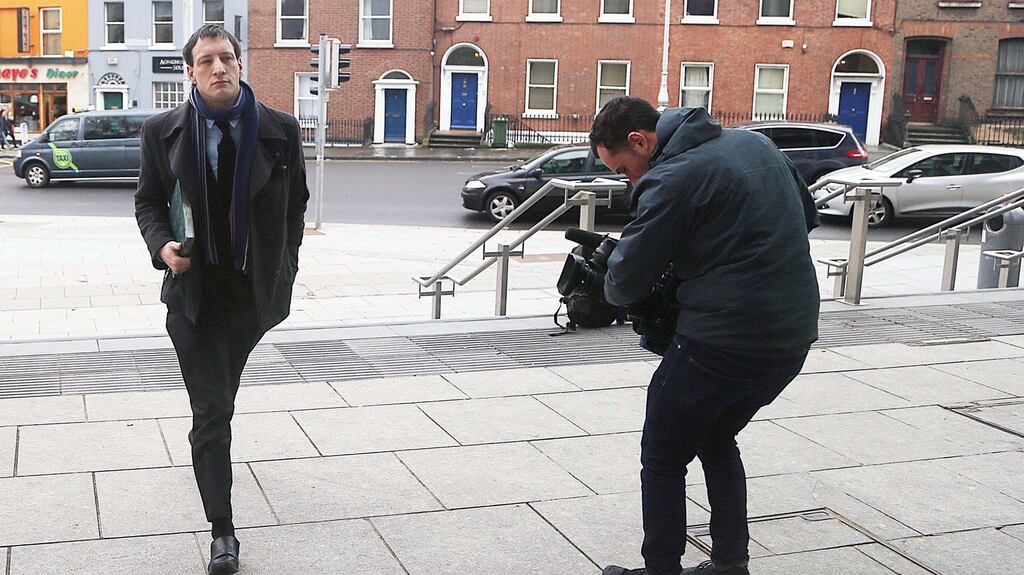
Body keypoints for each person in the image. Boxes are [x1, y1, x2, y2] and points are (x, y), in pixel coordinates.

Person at [591, 97, 819, 575]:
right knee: (717, 437)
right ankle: (731, 564)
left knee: (662, 453)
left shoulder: (671, 177)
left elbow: (624, 284)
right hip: (792, 336)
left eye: (624, 168)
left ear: (640, 141)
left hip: (720, 341)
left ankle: (661, 570)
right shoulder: (756, 145)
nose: (629, 180)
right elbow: (807, 215)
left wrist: (614, 270)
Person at [134, 24, 309, 575]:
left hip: (252, 295)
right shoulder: (161, 132)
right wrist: (163, 247)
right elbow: (148, 203)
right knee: (212, 408)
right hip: (194, 293)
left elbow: (295, 210)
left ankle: (211, 447)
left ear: (240, 64)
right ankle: (223, 530)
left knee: (220, 399)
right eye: (206, 60)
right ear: (190, 71)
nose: (218, 68)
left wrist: (285, 269)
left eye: (226, 57)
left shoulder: (280, 130)